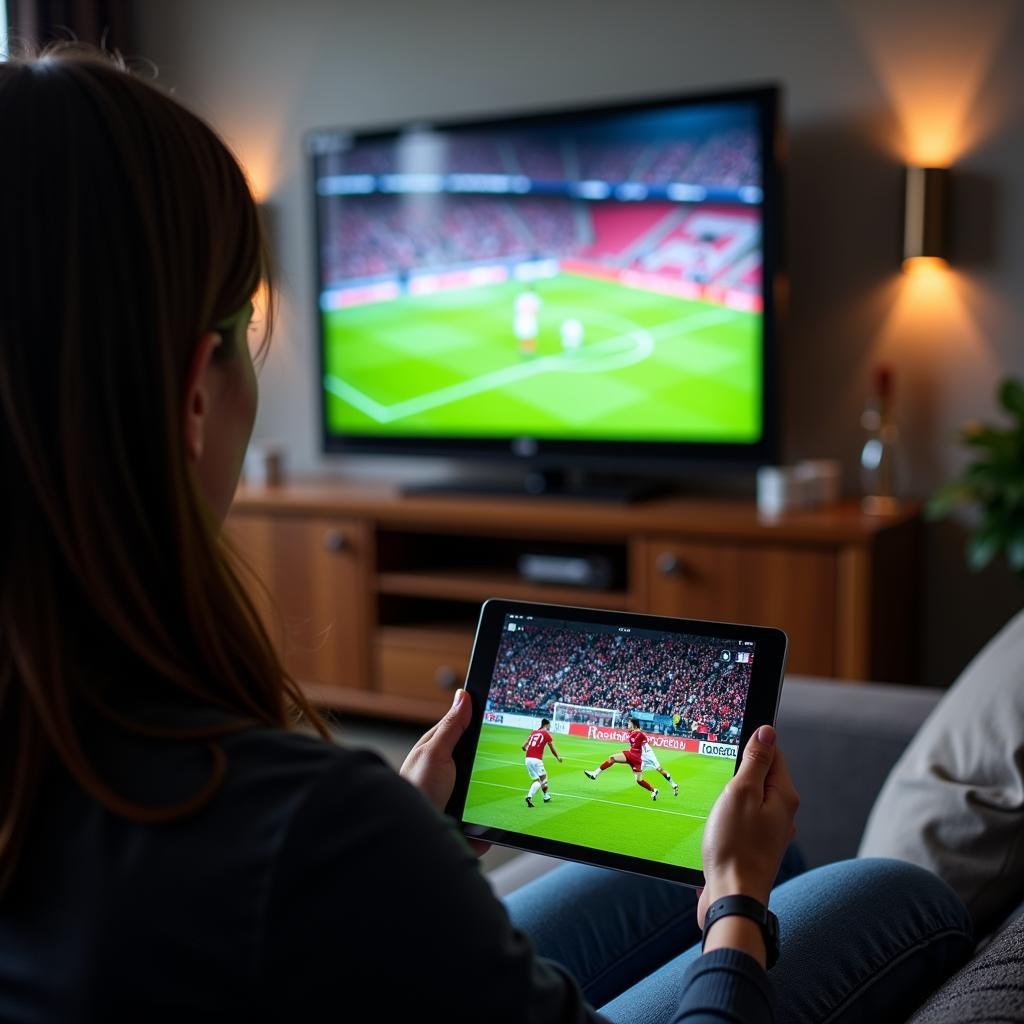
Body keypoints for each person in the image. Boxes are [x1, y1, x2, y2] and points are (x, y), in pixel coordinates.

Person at [0, 48, 973, 1022]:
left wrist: (403, 833)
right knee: (896, 893)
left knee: (684, 864)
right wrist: (736, 907)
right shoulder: (307, 824)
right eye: (243, 323)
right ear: (193, 396)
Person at [584, 716, 679, 800]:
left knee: (612, 758)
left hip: (636, 755)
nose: (627, 724)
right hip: (637, 759)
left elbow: (644, 741)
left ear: (633, 724)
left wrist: (641, 738)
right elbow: (634, 734)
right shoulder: (633, 732)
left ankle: (595, 774)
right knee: (639, 780)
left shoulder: (639, 734)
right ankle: (654, 790)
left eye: (629, 723)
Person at [522, 717, 564, 807]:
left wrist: (526, 748)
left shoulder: (533, 732)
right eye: (549, 725)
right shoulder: (546, 734)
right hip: (537, 760)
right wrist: (558, 757)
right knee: (543, 780)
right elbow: (552, 749)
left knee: (536, 779)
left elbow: (523, 746)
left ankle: (545, 796)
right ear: (547, 725)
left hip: (527, 759)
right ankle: (530, 796)